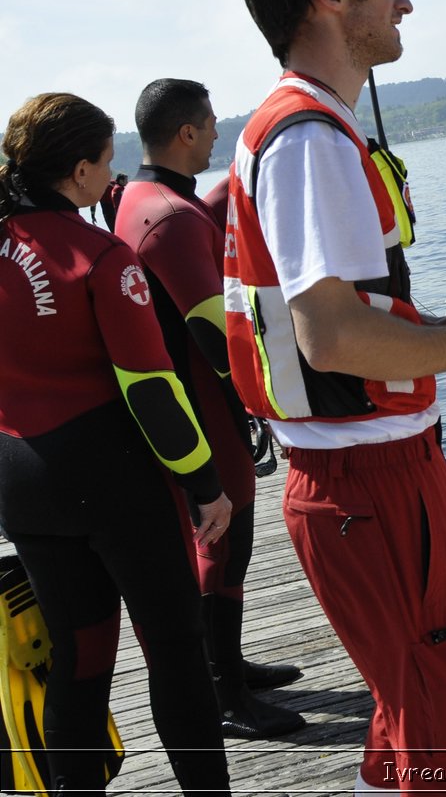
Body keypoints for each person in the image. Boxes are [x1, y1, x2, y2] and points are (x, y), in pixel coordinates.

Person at [228, 0, 446, 792]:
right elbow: (331, 337)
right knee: (436, 723)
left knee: (414, 712)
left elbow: (342, 312)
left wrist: (439, 329)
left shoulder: (299, 126)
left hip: (367, 475)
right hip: (372, 487)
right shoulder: (310, 138)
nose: (405, 1)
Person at [0, 92, 232, 794]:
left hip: (18, 477)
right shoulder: (102, 256)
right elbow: (151, 392)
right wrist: (206, 483)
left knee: (80, 652)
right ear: (76, 171)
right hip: (110, 478)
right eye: (105, 162)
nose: (113, 176)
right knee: (175, 652)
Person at [116, 77, 305, 740]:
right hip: (198, 404)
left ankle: (228, 663)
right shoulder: (168, 214)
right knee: (227, 543)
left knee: (228, 547)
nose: (218, 134)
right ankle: (224, 693)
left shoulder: (140, 198)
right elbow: (214, 335)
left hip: (189, 399)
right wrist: (252, 406)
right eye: (210, 123)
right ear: (186, 132)